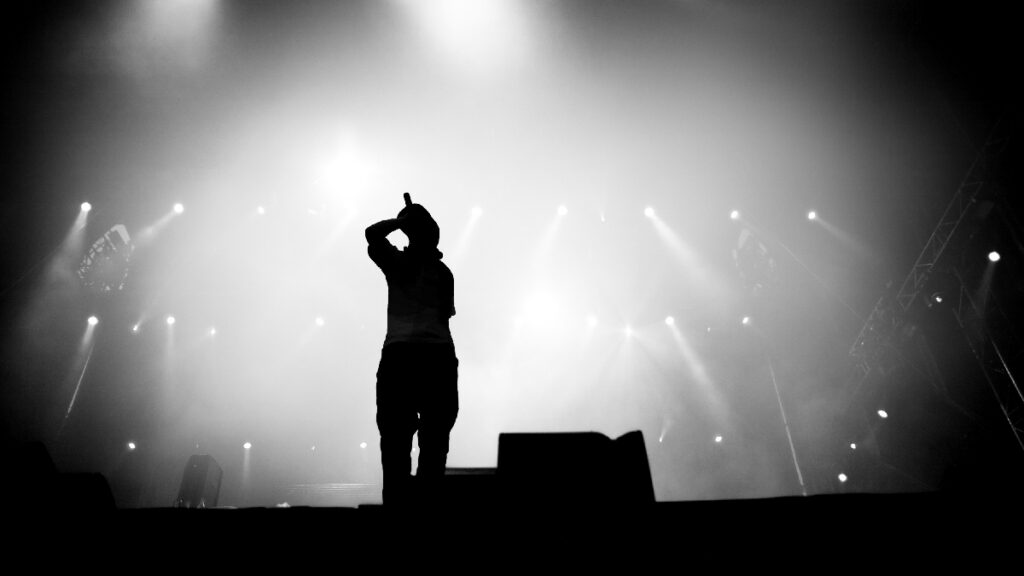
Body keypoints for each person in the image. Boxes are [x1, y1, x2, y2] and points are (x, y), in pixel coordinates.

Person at [365, 199, 458, 508]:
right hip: (430, 356)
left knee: (403, 440)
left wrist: (400, 221)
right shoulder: (432, 269)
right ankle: (415, 508)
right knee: (421, 440)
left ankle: (407, 508)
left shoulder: (406, 265)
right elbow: (372, 235)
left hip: (408, 356)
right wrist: (402, 220)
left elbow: (373, 236)